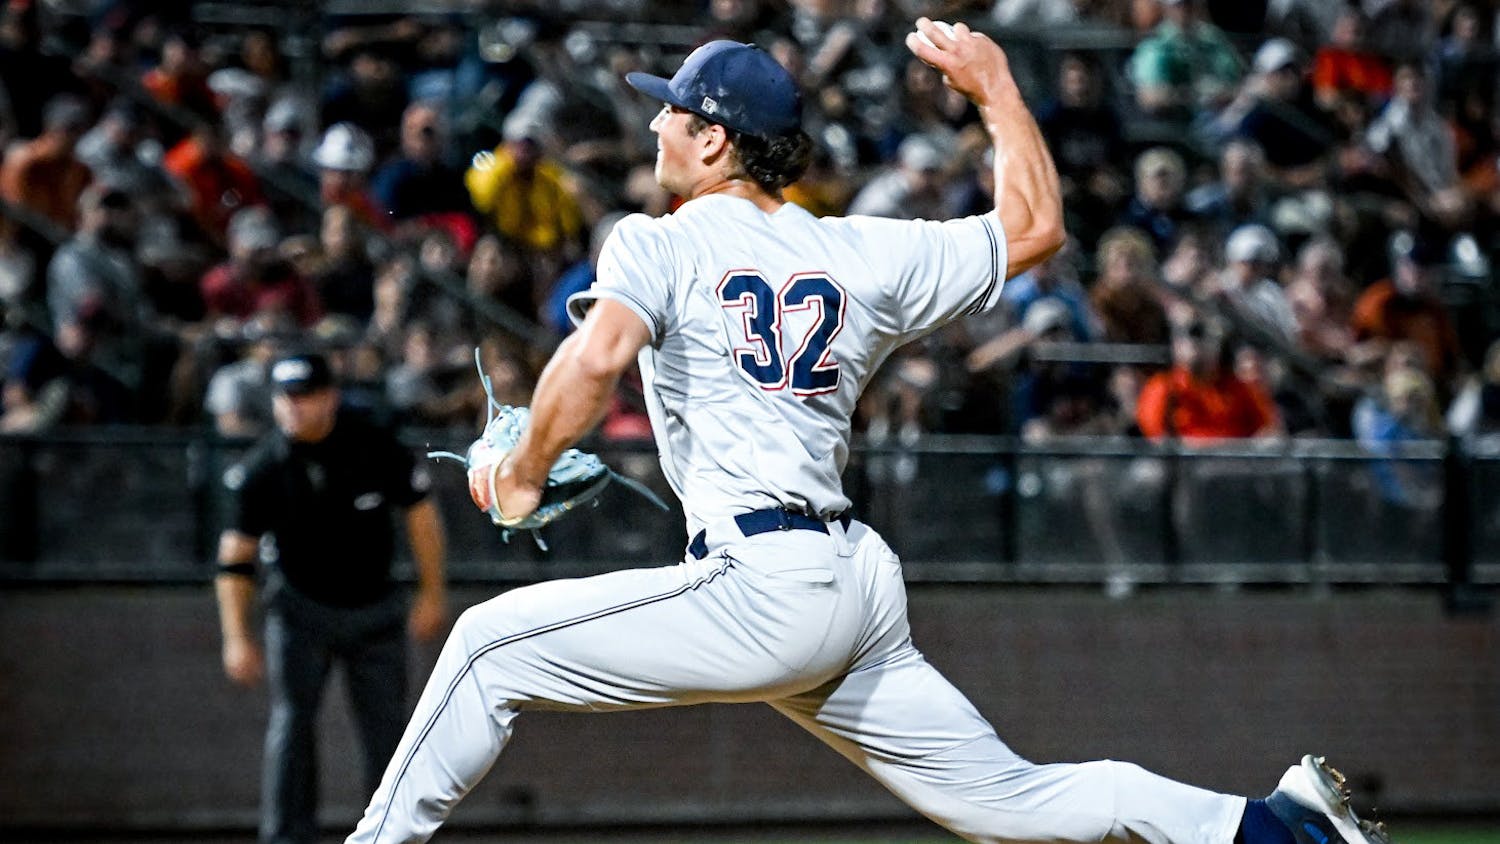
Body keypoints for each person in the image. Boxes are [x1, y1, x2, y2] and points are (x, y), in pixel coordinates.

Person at [346, 21, 1386, 844]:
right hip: (852, 582)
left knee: (486, 646)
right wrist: (999, 92)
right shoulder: (857, 253)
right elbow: (1033, 229)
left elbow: (597, 358)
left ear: (713, 139)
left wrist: (520, 470)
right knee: (1007, 803)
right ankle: (1274, 828)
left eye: (671, 112)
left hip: (761, 583)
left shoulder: (655, 241)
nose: (655, 125)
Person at [216, 351, 448, 844]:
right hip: (300, 612)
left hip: (376, 611)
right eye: (285, 398)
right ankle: (286, 837)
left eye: (306, 397)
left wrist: (432, 590)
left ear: (331, 398)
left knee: (388, 734)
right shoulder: (263, 468)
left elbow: (421, 515)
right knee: (292, 727)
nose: (294, 408)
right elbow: (235, 557)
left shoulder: (374, 445)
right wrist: (236, 635)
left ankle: (394, 834)